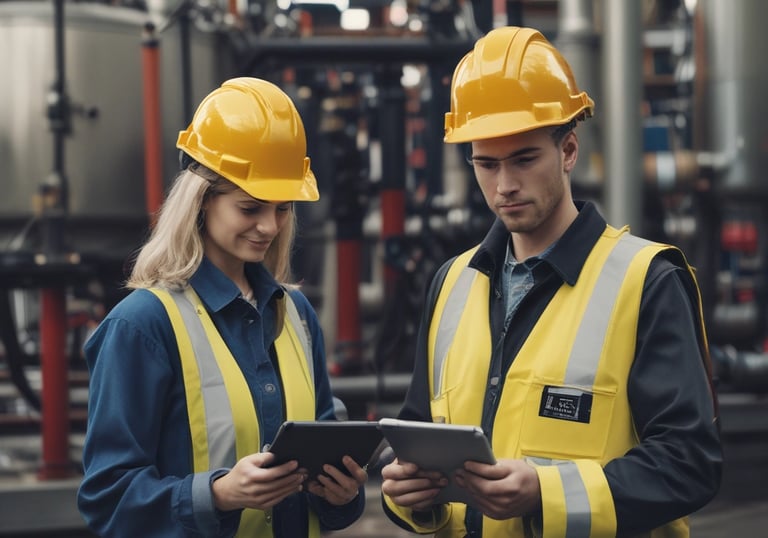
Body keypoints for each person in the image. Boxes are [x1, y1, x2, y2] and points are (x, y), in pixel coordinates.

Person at [380, 26, 722, 537]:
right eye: (486, 164)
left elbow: (689, 462)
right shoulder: (451, 283)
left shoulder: (646, 280)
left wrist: (544, 491)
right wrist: (413, 499)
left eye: (524, 159)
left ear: (568, 150)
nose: (505, 185)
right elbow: (418, 437)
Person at [77, 77, 368, 537]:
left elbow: (326, 486)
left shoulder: (295, 314)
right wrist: (218, 495)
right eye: (250, 208)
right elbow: (107, 501)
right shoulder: (142, 326)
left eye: (283, 208)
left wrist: (343, 493)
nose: (269, 226)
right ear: (200, 201)